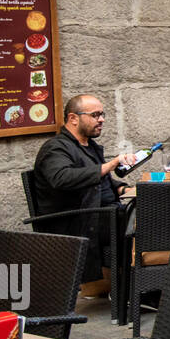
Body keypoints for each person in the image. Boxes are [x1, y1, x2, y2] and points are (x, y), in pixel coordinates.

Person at [33, 94, 137, 290]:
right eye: (95, 115)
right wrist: (111, 164)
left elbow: (101, 182)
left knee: (150, 214)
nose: (102, 119)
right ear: (73, 118)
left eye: (102, 114)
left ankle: (142, 287)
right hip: (78, 221)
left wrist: (124, 189)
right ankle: (136, 290)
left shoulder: (88, 145)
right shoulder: (55, 148)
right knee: (144, 222)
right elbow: (62, 178)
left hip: (102, 214)